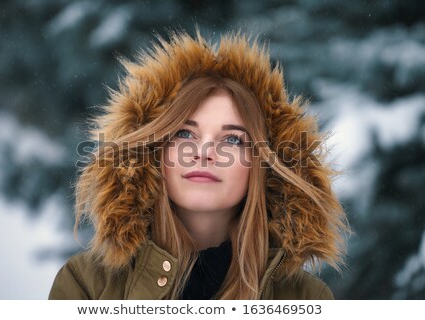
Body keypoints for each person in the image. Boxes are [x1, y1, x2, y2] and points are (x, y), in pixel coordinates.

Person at [48, 27, 350, 300]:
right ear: (154, 153)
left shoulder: (306, 298)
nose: (204, 152)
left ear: (262, 166)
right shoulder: (86, 284)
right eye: (184, 133)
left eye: (232, 140)